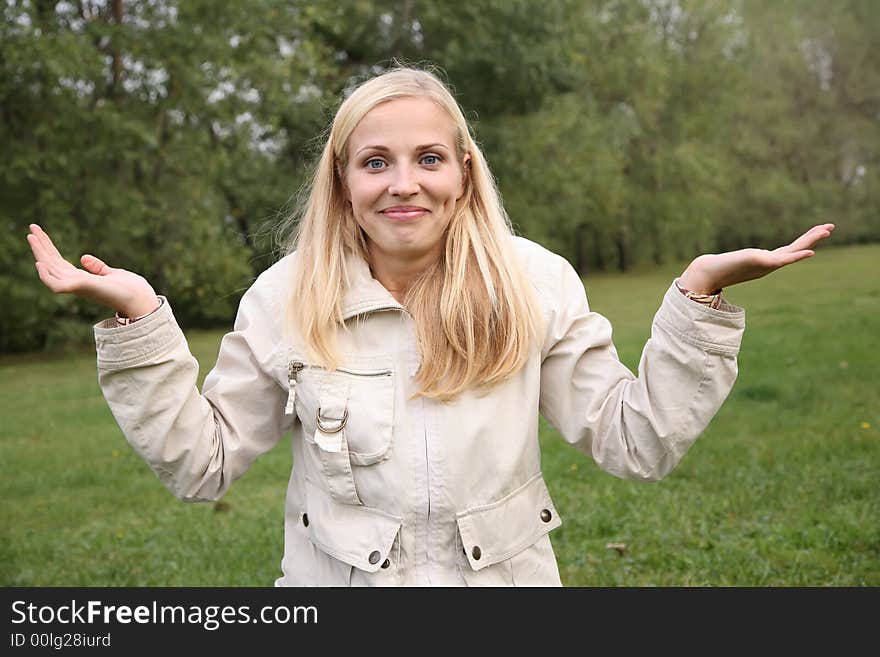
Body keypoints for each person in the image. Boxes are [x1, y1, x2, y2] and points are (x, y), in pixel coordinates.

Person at [26, 66, 834, 587]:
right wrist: (140, 321)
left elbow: (637, 441)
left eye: (428, 158)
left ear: (463, 172)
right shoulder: (282, 299)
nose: (402, 184)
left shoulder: (536, 281)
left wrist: (698, 299)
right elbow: (201, 464)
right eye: (375, 162)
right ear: (342, 183)